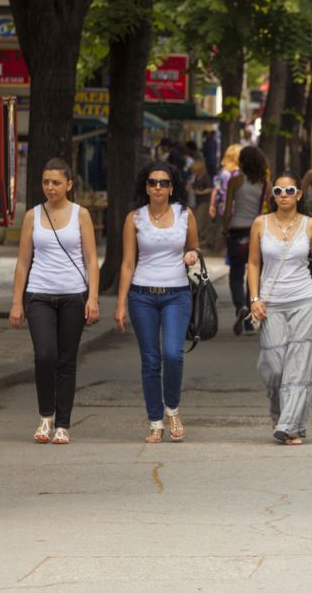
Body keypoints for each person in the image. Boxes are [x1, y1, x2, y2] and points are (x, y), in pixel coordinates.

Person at [246, 172, 312, 445]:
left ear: (299, 194)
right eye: (278, 191)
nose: (284, 195)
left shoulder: (310, 225)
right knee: (274, 366)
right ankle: (280, 413)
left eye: (290, 190)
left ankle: (291, 427)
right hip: (270, 303)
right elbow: (253, 264)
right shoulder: (259, 224)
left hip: (305, 301)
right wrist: (254, 299)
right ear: (273, 195)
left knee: (298, 368)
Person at [9, 158, 100, 445]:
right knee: (44, 355)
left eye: (56, 182)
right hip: (39, 294)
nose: (50, 187)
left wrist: (93, 298)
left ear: (69, 185)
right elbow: (23, 262)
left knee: (66, 361)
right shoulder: (32, 216)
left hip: (73, 294)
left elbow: (91, 260)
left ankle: (63, 424)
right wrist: (16, 302)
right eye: (46, 182)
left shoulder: (80, 215)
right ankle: (45, 415)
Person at [114, 161, 200, 443]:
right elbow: (128, 263)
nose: (158, 187)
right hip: (142, 295)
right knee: (150, 360)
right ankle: (155, 421)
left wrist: (192, 255)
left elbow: (194, 247)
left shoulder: (184, 214)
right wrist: (121, 303)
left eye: (164, 182)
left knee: (173, 354)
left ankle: (172, 408)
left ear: (172, 187)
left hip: (177, 294)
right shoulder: (134, 218)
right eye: (153, 182)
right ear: (146, 187)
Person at [223, 145, 269, 335]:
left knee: (236, 272)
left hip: (236, 229)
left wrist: (224, 229)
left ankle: (240, 304)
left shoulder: (235, 181)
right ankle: (251, 318)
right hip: (256, 232)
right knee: (254, 274)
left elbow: (227, 211)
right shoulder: (264, 184)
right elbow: (268, 209)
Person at [209, 144, 242, 220]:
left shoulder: (222, 171)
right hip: (237, 208)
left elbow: (215, 190)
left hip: (223, 208)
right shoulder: (238, 172)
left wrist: (212, 205)